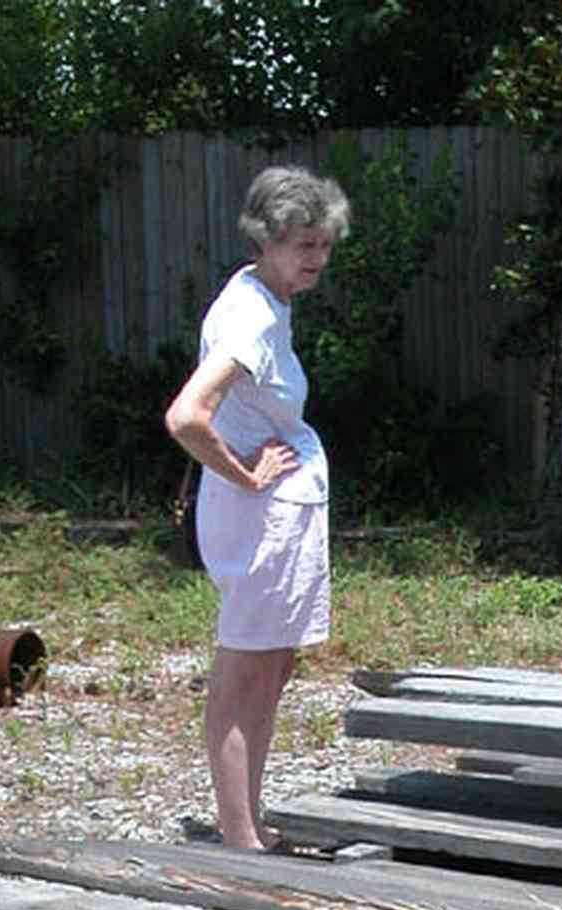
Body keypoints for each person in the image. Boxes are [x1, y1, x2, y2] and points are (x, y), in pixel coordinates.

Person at [164, 166, 351, 850]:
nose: (316, 260)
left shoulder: (267, 303)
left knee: (273, 667)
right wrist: (244, 474)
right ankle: (239, 834)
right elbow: (187, 416)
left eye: (324, 245)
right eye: (303, 245)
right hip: (258, 518)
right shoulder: (249, 316)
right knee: (245, 669)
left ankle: (250, 820)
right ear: (266, 240)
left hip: (280, 515)